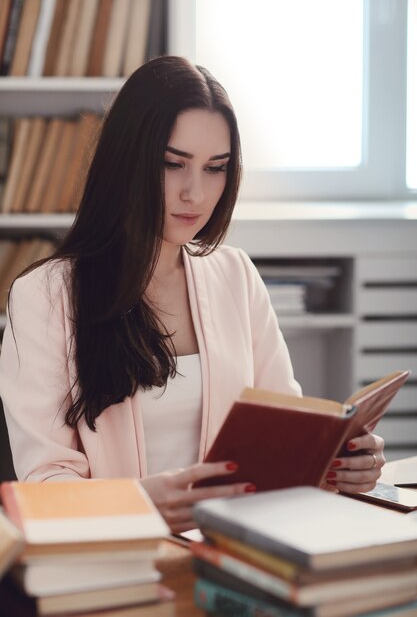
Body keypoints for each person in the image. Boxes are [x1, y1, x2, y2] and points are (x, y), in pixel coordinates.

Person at [0, 56, 384, 532]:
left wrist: (336, 464)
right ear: (127, 160)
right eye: (172, 164)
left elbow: (283, 434)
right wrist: (141, 504)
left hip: (236, 550)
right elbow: (43, 484)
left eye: (215, 168)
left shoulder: (235, 275)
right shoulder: (45, 296)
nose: (195, 194)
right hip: (121, 562)